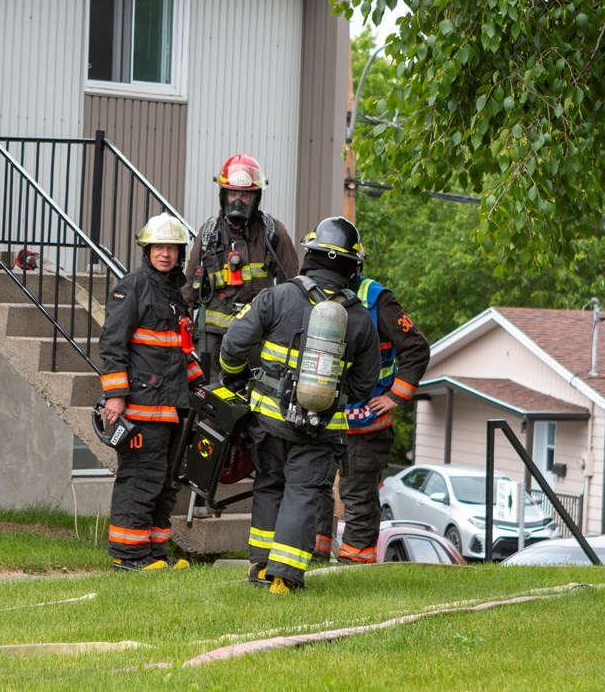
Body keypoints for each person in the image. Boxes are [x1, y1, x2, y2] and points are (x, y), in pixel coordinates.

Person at [218, 216, 380, 594]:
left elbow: (233, 346)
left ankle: (261, 566)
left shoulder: (278, 296)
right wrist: (331, 394)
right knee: (303, 493)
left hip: (268, 424)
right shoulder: (358, 318)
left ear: (312, 256)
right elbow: (364, 385)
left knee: (270, 485)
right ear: (351, 267)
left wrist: (234, 376)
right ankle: (285, 577)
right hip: (319, 429)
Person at [98, 213, 202, 571]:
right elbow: (113, 343)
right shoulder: (133, 286)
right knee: (140, 478)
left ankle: (156, 553)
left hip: (172, 406)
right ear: (147, 249)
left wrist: (199, 388)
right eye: (159, 246)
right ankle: (128, 555)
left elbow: (181, 348)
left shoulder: (175, 294)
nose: (165, 254)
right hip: (142, 406)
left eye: (172, 248)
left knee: (164, 482)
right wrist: (115, 395)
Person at [323, 276, 431, 563]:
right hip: (322, 419)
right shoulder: (310, 291)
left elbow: (416, 348)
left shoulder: (375, 299)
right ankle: (312, 558)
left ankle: (356, 564)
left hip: (366, 422)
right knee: (314, 490)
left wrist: (395, 396)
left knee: (357, 497)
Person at [182, 154, 301, 373]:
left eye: (245, 196)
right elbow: (190, 287)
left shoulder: (273, 232)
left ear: (256, 197)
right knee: (209, 397)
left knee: (254, 396)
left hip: (257, 334)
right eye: (233, 194)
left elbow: (292, 287)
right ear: (223, 195)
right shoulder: (208, 233)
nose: (238, 201)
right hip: (212, 337)